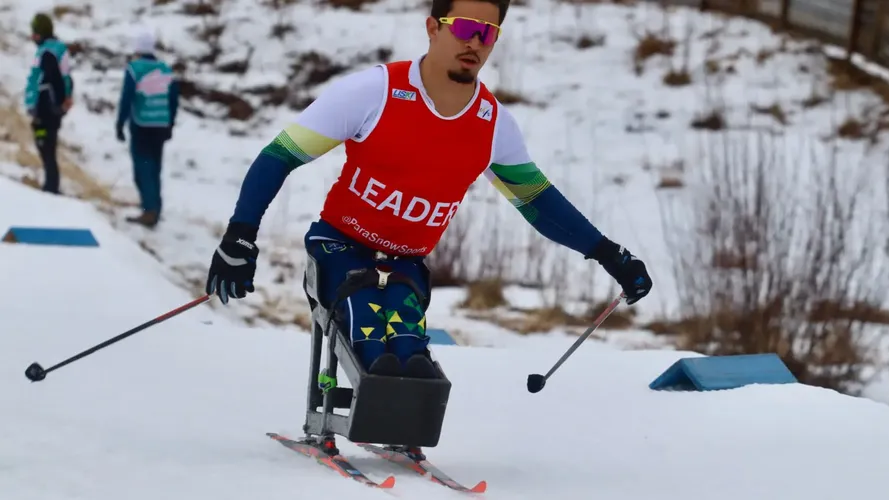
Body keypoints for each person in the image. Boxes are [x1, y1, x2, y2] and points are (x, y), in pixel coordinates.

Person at [204, 0, 651, 455]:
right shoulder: (374, 91)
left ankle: (406, 426)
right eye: (465, 28)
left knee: (409, 345)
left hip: (405, 261)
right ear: (433, 28)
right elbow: (279, 155)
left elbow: (539, 204)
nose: (475, 43)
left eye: (488, 33)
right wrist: (239, 235)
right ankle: (329, 421)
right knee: (366, 331)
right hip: (339, 246)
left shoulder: (493, 124)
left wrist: (611, 255)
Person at [115, 29, 179, 228]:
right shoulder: (166, 70)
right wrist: (170, 123)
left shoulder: (134, 69)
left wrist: (120, 123)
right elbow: (173, 99)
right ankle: (155, 208)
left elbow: (127, 98)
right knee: (155, 167)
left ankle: (149, 210)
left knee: (142, 168)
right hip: (161, 124)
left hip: (141, 123)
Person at [23, 13, 74, 195]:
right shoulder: (57, 49)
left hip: (45, 109)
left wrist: (41, 106)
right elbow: (66, 78)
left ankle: (51, 187)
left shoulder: (48, 52)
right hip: (51, 108)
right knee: (47, 144)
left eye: (35, 33)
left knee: (44, 143)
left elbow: (49, 81)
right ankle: (50, 184)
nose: (32, 37)